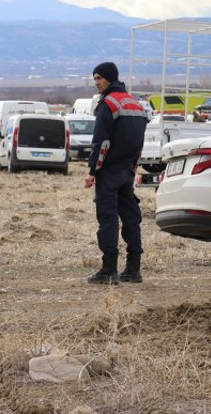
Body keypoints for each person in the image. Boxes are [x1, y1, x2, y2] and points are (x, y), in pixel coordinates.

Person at [84, 62, 148, 284]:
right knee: (131, 218)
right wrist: (133, 166)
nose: (97, 83)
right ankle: (133, 269)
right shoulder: (136, 104)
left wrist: (92, 170)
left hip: (110, 172)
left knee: (108, 219)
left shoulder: (108, 104)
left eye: (100, 78)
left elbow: (101, 142)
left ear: (110, 78)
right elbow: (140, 142)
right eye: (94, 79)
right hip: (127, 171)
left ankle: (109, 270)